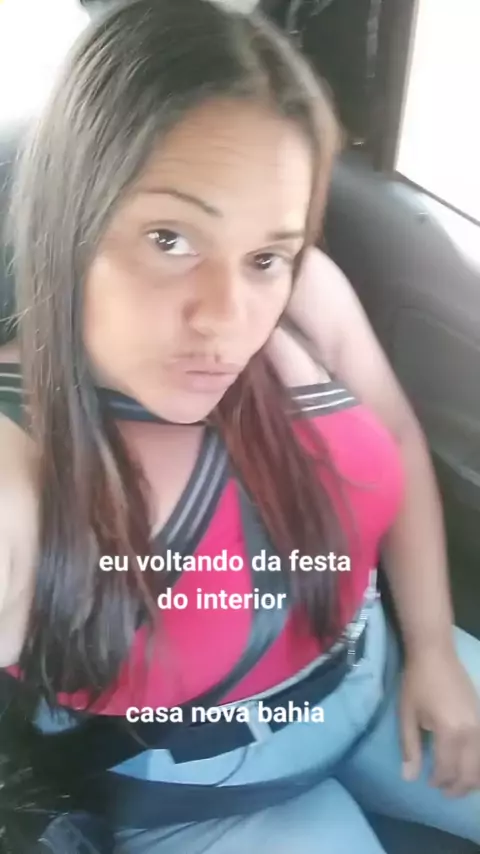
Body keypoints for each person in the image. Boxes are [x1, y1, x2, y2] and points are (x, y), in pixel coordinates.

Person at [0, 0, 479, 851]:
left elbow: (400, 440)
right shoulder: (21, 444)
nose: (228, 317)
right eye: (169, 238)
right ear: (72, 214)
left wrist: (435, 647)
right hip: (209, 800)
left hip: (385, 676)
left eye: (264, 254)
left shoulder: (305, 291)